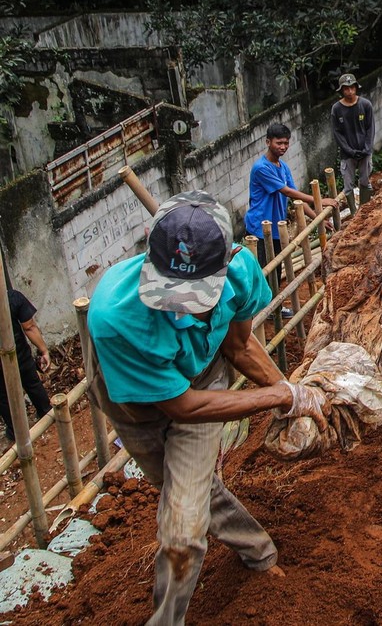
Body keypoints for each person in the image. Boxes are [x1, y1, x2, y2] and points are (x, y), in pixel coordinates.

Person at [86, 190, 329, 626]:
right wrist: (277, 396)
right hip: (139, 405)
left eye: (195, 295)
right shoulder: (113, 318)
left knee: (181, 532)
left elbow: (237, 346)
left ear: (227, 262)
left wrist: (292, 394)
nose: (182, 308)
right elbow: (179, 407)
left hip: (202, 380)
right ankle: (258, 549)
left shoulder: (240, 270)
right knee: (186, 490)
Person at [245, 122, 339, 292]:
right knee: (263, 272)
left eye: (286, 143)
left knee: (277, 268)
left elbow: (297, 200)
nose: (283, 147)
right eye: (278, 143)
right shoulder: (261, 168)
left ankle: (275, 308)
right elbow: (287, 191)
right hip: (260, 228)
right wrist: (318, 200)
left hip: (276, 228)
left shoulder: (283, 167)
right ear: (268, 142)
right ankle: (263, 311)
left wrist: (318, 219)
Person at [0, 289, 51, 442]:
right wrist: (44, 350)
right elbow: (29, 327)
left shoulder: (12, 298)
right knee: (32, 383)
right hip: (19, 355)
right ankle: (46, 414)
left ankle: (16, 432)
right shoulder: (12, 298)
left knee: (3, 397)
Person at [330, 73, 375, 214]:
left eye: (352, 88)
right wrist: (349, 150)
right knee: (348, 185)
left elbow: (370, 128)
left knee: (365, 181)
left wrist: (367, 148)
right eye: (346, 89)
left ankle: (364, 210)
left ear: (356, 88)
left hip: (364, 151)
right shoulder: (336, 109)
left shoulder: (365, 105)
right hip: (347, 154)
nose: (350, 92)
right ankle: (354, 213)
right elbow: (337, 133)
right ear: (342, 91)